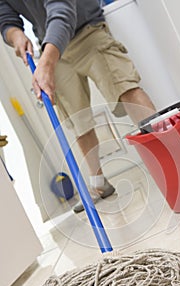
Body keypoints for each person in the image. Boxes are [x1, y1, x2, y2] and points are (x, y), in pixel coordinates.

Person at [0, 0, 156, 213]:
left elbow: (62, 9)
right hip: (51, 42)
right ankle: (98, 184)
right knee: (76, 118)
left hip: (87, 30)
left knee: (125, 86)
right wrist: (15, 34)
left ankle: (168, 151)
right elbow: (5, 16)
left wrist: (46, 64)